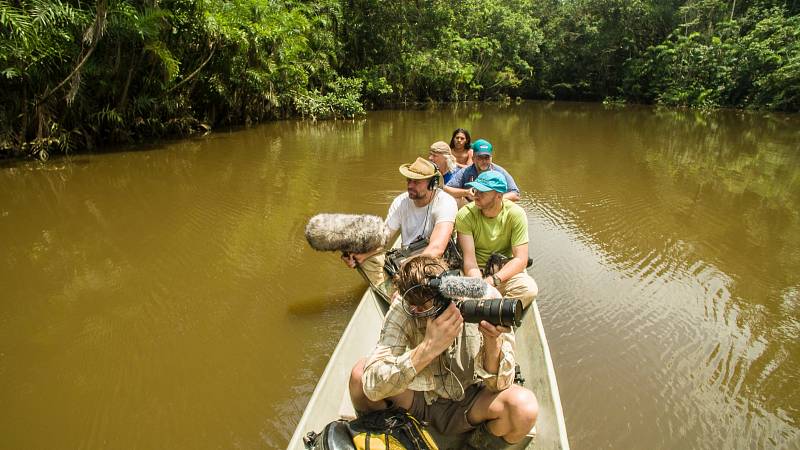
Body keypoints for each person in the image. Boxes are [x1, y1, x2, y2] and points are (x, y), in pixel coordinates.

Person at [348, 256, 538, 449]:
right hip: (420, 398)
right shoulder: (403, 308)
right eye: (421, 309)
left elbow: (501, 384)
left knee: (524, 408)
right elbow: (372, 385)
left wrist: (492, 341)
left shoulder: (483, 296)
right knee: (359, 377)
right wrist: (429, 348)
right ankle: (395, 439)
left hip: (470, 402)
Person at [342, 157, 458, 287]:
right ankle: (397, 292)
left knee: (421, 273)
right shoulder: (400, 202)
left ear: (432, 184)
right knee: (366, 259)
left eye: (416, 182)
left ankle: (403, 293)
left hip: (432, 263)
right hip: (405, 259)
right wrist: (361, 254)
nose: (410, 186)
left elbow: (436, 250)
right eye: (409, 180)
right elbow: (383, 238)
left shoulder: (445, 202)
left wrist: (408, 266)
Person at [456, 170, 538, 308]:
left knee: (529, 290)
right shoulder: (465, 215)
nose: (476, 195)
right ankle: (496, 311)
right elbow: (470, 262)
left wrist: (492, 281)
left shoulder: (515, 214)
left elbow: (521, 259)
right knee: (452, 298)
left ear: (499, 196)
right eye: (476, 190)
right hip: (474, 274)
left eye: (483, 192)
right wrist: (481, 287)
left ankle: (494, 312)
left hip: (502, 274)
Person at [445, 138, 521, 203]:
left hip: (494, 207)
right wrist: (466, 193)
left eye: (487, 157)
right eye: (480, 157)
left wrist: (493, 200)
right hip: (472, 206)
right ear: (473, 158)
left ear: (491, 158)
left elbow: (515, 194)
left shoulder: (499, 171)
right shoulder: (466, 171)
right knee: (453, 199)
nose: (484, 161)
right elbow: (446, 189)